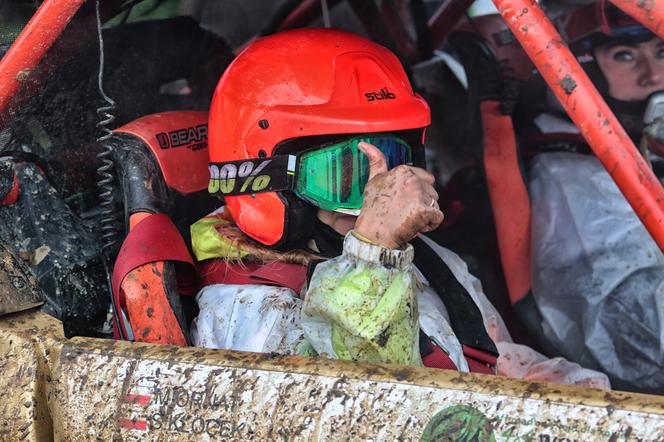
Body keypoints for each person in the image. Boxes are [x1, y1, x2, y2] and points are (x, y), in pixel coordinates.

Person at [190, 28, 609, 386]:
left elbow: (501, 360)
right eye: (348, 172)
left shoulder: (428, 263)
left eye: (393, 161)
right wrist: (373, 254)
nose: (380, 193)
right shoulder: (249, 310)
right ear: (268, 181)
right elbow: (371, 409)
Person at [521, 2, 664, 393]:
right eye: (624, 56)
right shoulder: (572, 178)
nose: (652, 75)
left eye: (661, 52)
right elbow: (642, 343)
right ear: (583, 66)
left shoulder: (639, 152)